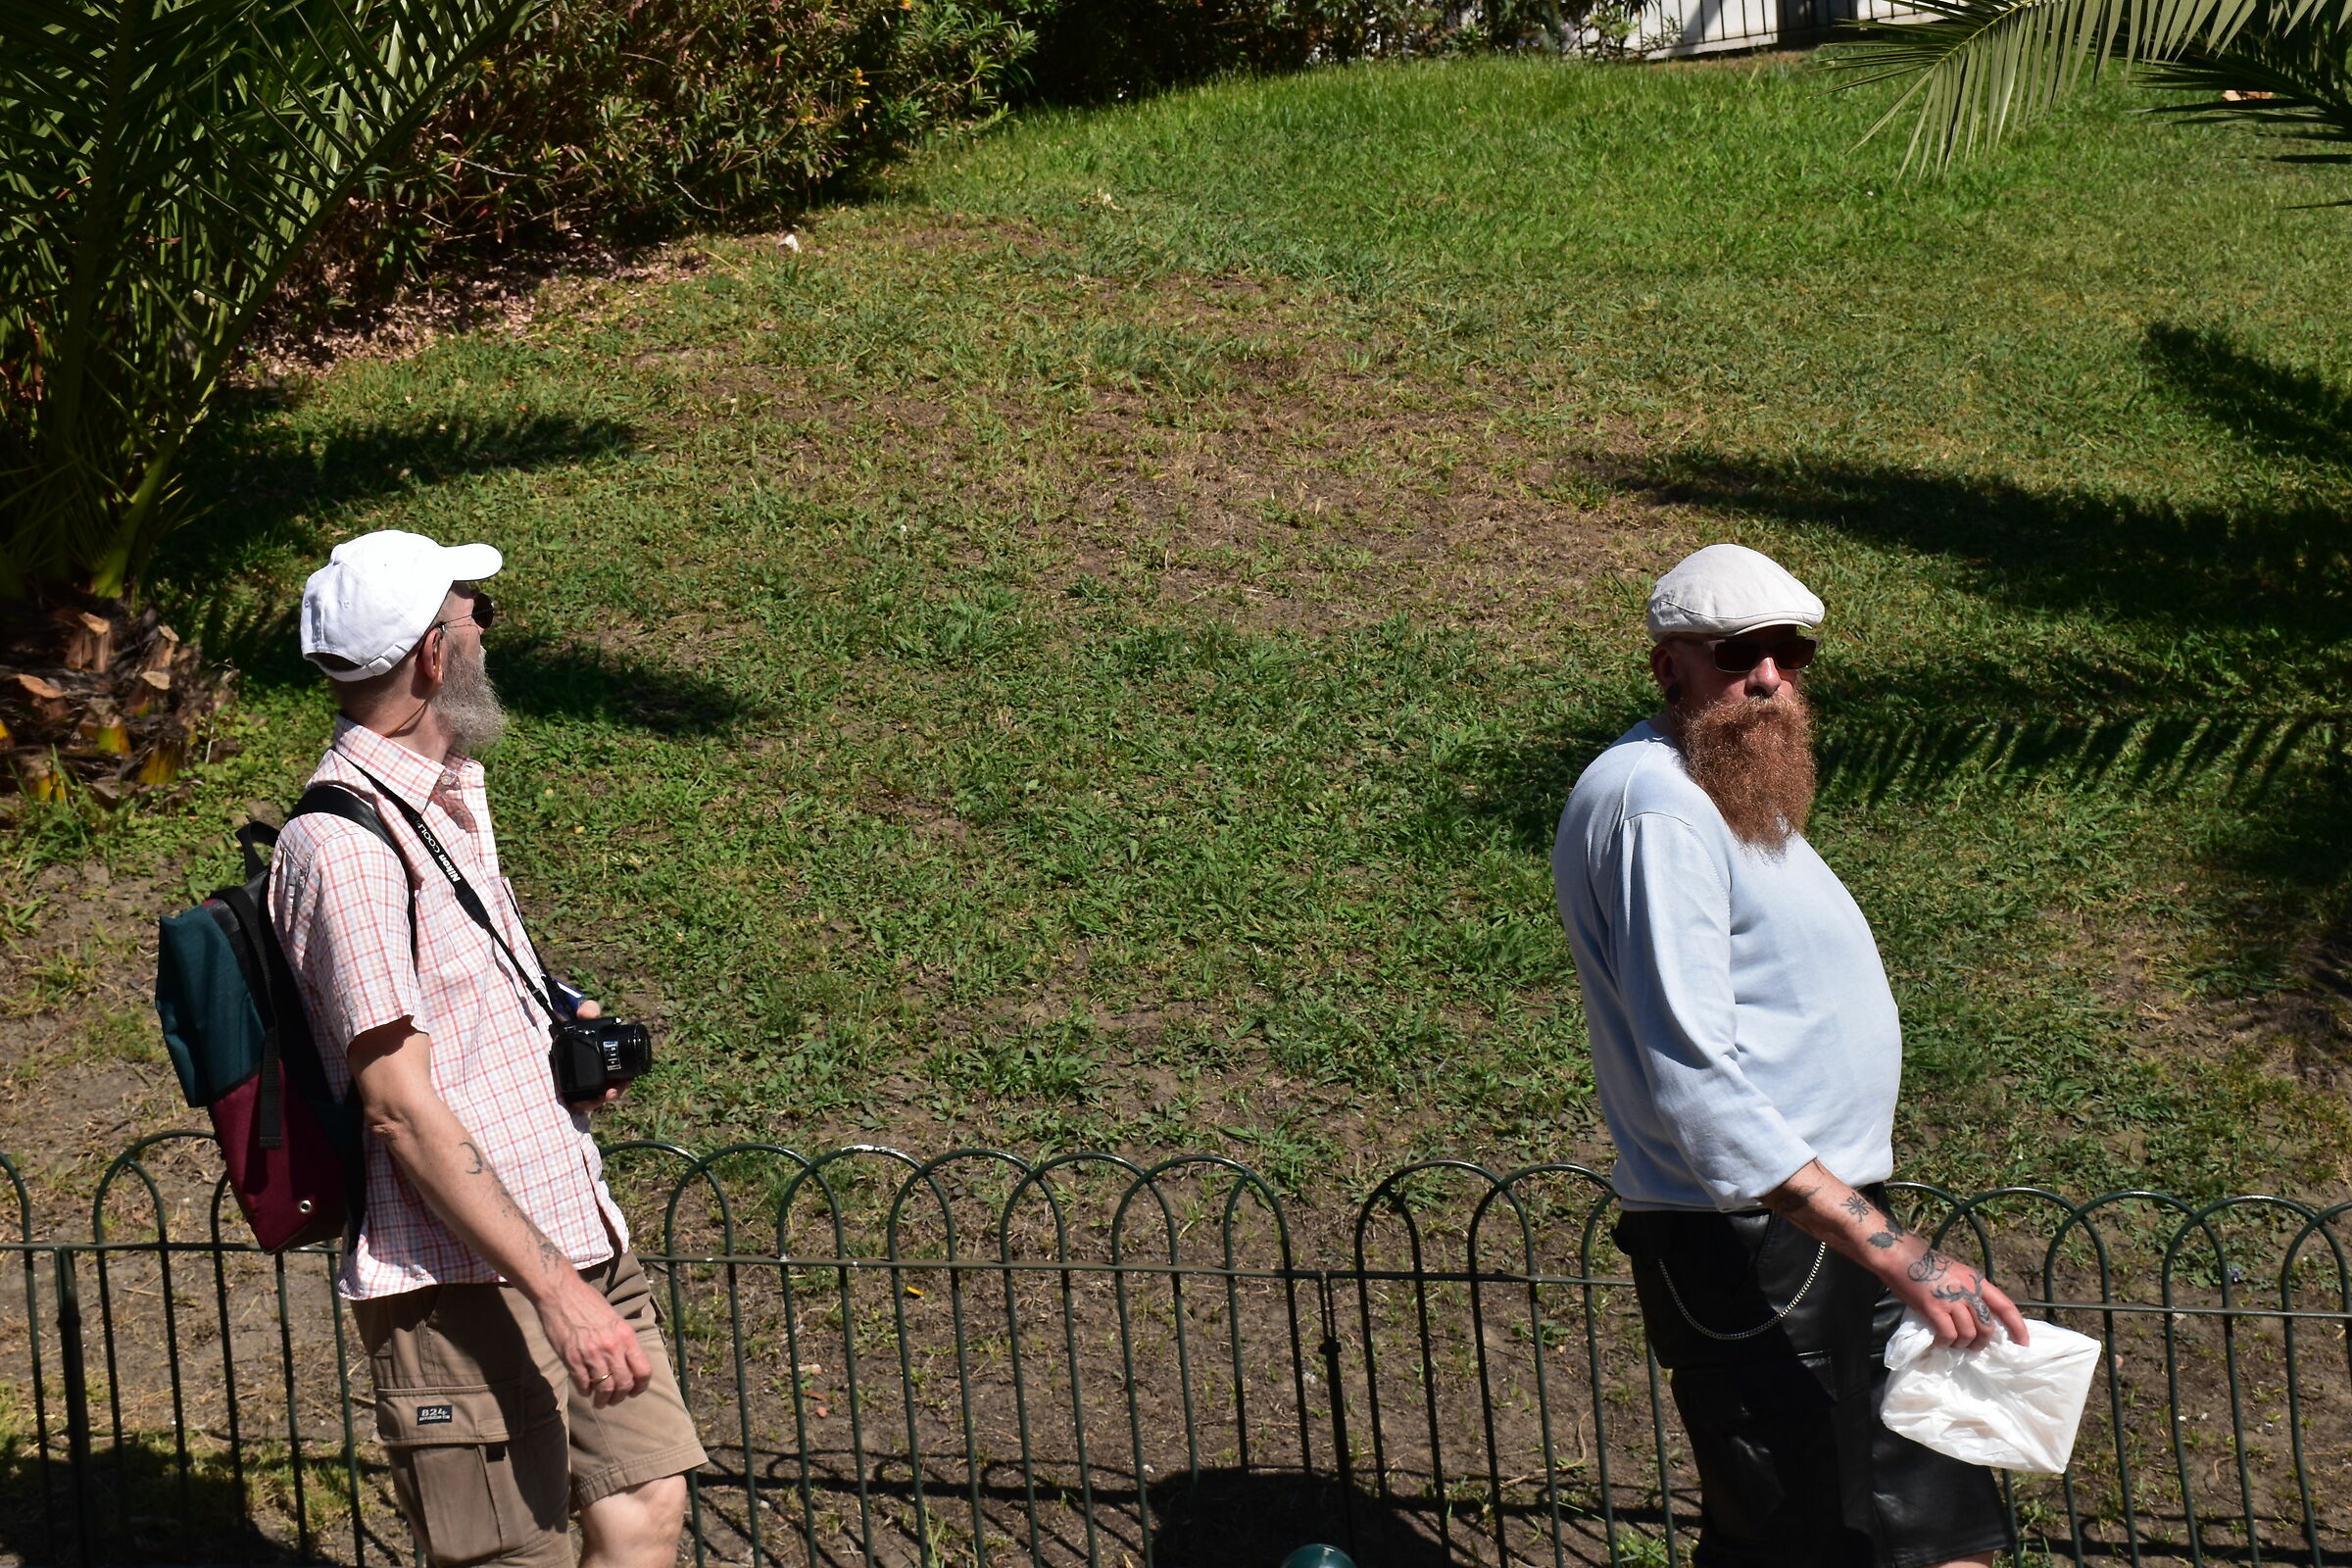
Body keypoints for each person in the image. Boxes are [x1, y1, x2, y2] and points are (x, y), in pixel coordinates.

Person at [1550, 543, 2031, 1567]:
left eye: (1789, 651)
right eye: (1738, 654)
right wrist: (1899, 1253)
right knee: (1814, 1541)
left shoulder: (1727, 797)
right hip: (1747, 1247)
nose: (1768, 677)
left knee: (1933, 1533)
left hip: (1818, 1231)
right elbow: (1700, 1081)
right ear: (1668, 667)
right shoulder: (1656, 805)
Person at [270, 530, 705, 1568]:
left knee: (646, 1505)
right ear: (433, 655)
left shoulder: (451, 801)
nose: (485, 636)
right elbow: (397, 1106)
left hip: (570, 1226)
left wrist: (556, 1034)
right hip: (461, 1277)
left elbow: (456, 1017)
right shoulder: (341, 847)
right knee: (521, 1559)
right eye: (478, 616)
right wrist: (557, 1293)